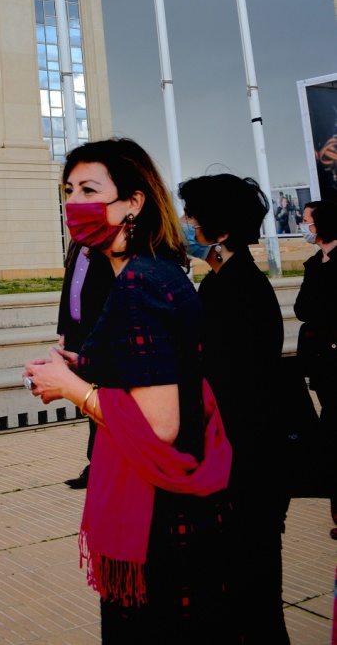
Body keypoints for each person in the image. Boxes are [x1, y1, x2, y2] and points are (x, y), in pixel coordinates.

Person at [24, 138, 233, 644]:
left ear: (134, 202)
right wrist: (86, 364)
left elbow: (160, 425)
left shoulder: (138, 284)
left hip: (162, 518)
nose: (75, 203)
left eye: (91, 190)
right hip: (184, 514)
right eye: (69, 190)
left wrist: (72, 388)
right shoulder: (152, 273)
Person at [178, 172, 290, 644]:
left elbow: (230, 384)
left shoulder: (237, 292)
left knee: (253, 597)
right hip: (243, 463)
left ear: (220, 233)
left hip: (246, 468)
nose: (184, 224)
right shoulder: (228, 282)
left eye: (192, 217)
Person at [57, 238, 115, 488]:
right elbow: (68, 288)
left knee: (98, 399)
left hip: (99, 332)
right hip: (78, 332)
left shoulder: (106, 244)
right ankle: (97, 463)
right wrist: (64, 331)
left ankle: (99, 465)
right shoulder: (74, 244)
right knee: (88, 404)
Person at [295, 198, 337, 540]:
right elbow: (303, 307)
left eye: (307, 220)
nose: (303, 225)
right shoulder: (313, 262)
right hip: (320, 360)